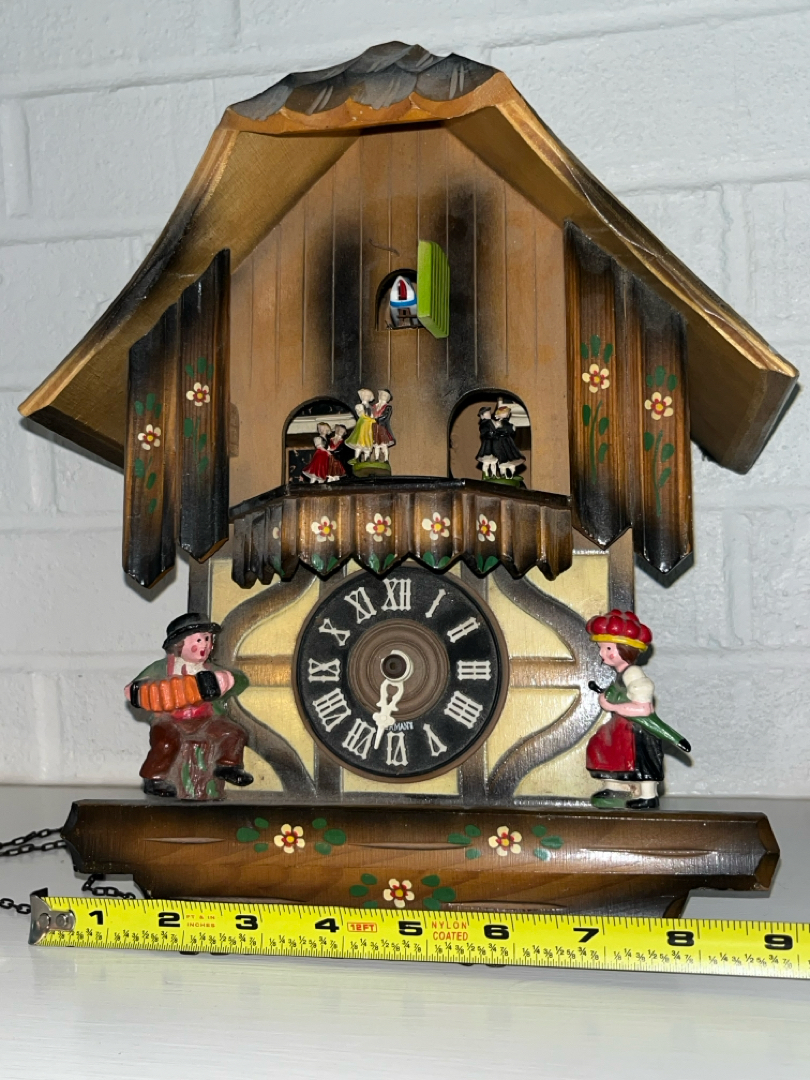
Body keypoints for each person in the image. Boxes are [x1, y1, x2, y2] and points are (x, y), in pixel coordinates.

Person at [125, 613, 252, 800]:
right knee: (165, 743)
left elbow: (241, 681)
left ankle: (227, 766)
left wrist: (225, 681)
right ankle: (154, 778)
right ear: (179, 644)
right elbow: (132, 689)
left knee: (232, 732)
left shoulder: (211, 670)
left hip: (206, 721)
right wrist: (138, 692)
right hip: (170, 721)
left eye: (208, 639)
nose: (205, 645)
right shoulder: (161, 668)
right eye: (199, 640)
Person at [584, 609, 690, 810]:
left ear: (625, 650)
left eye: (608, 648)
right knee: (603, 748)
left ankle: (648, 796)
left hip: (636, 730)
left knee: (641, 763)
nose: (601, 653)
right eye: (601, 648)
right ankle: (615, 788)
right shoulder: (622, 673)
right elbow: (620, 694)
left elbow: (643, 708)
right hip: (621, 727)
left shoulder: (633, 673)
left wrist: (612, 705)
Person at [490, 400, 526, 479]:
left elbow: (512, 430)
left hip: (507, 443)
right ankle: (504, 475)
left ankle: (510, 475)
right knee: (502, 460)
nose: (506, 414)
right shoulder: (497, 424)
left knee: (510, 458)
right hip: (499, 443)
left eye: (507, 413)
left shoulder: (509, 425)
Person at [345, 389, 376, 460]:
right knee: (360, 441)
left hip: (369, 426)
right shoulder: (359, 406)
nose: (366, 397)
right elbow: (361, 414)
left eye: (368, 396)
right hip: (363, 424)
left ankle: (367, 459)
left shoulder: (371, 408)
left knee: (368, 441)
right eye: (365, 395)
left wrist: (372, 419)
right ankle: (356, 458)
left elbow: (372, 416)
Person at [371, 389, 395, 462]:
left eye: (385, 395)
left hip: (382, 427)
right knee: (376, 445)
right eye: (382, 394)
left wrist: (377, 419)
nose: (382, 396)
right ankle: (376, 458)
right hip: (375, 428)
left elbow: (385, 416)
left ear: (387, 398)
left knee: (384, 444)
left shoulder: (388, 407)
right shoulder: (374, 406)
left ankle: (386, 459)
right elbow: (371, 414)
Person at [475, 405, 498, 478]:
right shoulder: (483, 424)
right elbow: (483, 432)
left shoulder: (491, 422)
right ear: (482, 416)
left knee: (494, 462)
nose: (489, 414)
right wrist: (490, 433)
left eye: (489, 413)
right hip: (487, 445)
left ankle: (494, 475)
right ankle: (485, 475)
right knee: (486, 462)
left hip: (493, 444)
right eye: (487, 413)